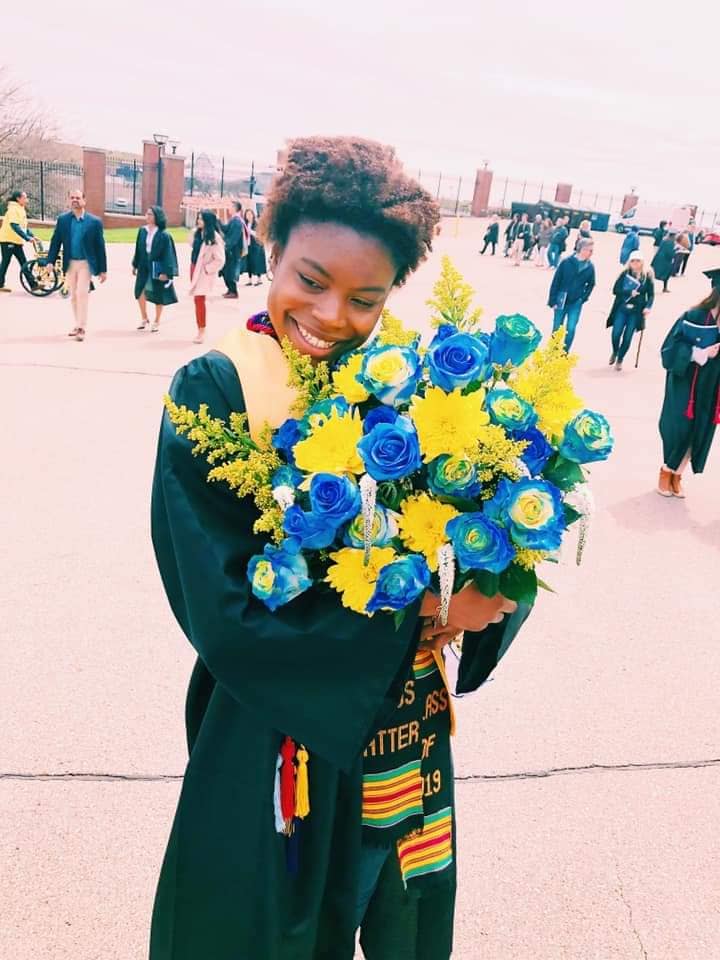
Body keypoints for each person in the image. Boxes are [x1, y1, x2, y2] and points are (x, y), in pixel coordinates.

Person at [149, 135, 527, 960]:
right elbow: (224, 612)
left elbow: (480, 523)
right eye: (310, 282)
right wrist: (425, 609)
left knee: (404, 915)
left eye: (366, 299)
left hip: (403, 735)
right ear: (273, 252)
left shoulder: (410, 385)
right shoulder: (219, 390)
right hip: (277, 734)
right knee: (258, 928)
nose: (331, 318)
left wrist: (490, 584)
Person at [657, 268, 720, 498]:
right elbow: (669, 351)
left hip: (711, 389)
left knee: (700, 433)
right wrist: (699, 353)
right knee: (679, 429)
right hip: (686, 384)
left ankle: (677, 475)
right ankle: (666, 471)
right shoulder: (694, 315)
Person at [46, 189, 107, 342]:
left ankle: (82, 327)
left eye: (78, 198)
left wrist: (103, 270)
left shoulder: (94, 222)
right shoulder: (63, 220)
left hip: (86, 263)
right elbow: (55, 241)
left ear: (84, 201)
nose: (75, 200)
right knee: (74, 296)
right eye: (72, 198)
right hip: (70, 263)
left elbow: (100, 246)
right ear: (69, 200)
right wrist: (50, 262)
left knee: (82, 293)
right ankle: (77, 323)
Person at [132, 206, 179, 332]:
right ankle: (144, 317)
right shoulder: (142, 231)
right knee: (139, 291)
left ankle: (157, 321)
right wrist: (135, 264)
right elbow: (138, 249)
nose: (147, 216)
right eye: (147, 214)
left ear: (157, 217)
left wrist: (166, 272)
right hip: (143, 264)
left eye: (151, 214)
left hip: (157, 265)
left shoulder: (164, 234)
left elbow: (168, 254)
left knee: (158, 293)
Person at [607, 251, 655, 371]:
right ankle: (615, 351)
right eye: (633, 260)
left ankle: (620, 359)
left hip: (636, 311)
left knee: (628, 336)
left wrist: (648, 307)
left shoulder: (647, 276)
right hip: (622, 308)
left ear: (642, 262)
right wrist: (629, 292)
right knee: (616, 333)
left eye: (637, 261)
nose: (635, 263)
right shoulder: (624, 273)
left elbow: (651, 295)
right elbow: (615, 290)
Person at [548, 237, 596, 350]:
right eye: (588, 249)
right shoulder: (566, 262)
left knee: (571, 328)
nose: (590, 252)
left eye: (591, 250)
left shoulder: (590, 266)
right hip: (561, 300)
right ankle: (553, 351)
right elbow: (556, 281)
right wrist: (552, 300)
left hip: (576, 303)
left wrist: (583, 298)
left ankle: (565, 353)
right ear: (581, 249)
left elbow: (591, 284)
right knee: (556, 327)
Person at [188, 209, 225, 345]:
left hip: (203, 272)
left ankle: (201, 330)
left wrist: (207, 269)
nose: (198, 221)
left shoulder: (214, 238)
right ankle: (200, 328)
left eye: (201, 219)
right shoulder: (197, 233)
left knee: (199, 299)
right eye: (198, 218)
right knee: (197, 299)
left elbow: (220, 260)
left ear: (208, 221)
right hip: (193, 268)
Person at [0, 190, 38, 292]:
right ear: (18, 199)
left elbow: (23, 226)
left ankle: (33, 285)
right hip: (7, 240)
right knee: (5, 262)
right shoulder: (13, 209)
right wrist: (27, 238)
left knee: (23, 262)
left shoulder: (20, 209)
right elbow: (14, 225)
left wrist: (32, 235)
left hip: (16, 241)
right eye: (24, 198)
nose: (27, 200)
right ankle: (0, 284)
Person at [220, 201, 248, 298]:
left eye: (230, 207)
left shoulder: (237, 221)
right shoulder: (233, 220)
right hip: (231, 251)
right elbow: (225, 229)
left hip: (233, 252)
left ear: (236, 208)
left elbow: (234, 238)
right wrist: (217, 221)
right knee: (226, 270)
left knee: (230, 272)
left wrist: (226, 247)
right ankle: (230, 290)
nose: (228, 208)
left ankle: (234, 292)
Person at [242, 207, 267, 284]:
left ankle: (259, 279)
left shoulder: (256, 223)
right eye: (247, 214)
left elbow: (259, 234)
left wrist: (250, 231)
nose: (248, 216)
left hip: (256, 245)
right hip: (248, 245)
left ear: (253, 215)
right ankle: (250, 279)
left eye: (250, 214)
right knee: (249, 261)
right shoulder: (245, 224)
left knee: (257, 261)